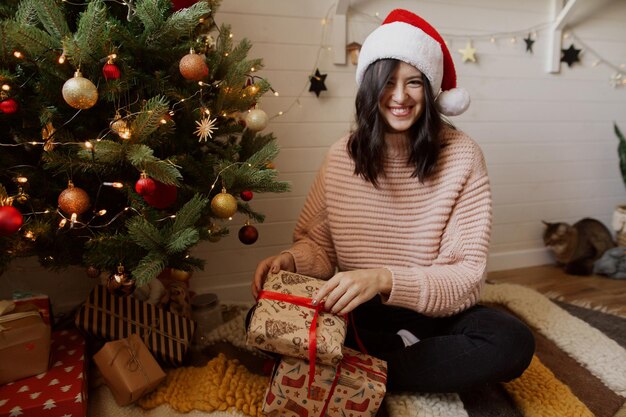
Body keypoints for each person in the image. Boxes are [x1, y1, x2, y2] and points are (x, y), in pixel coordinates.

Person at [251, 9, 534, 393]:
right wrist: (292, 260)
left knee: (511, 342)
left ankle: (362, 371)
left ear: (431, 90)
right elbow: (318, 246)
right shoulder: (341, 156)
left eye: (414, 82)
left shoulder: (463, 156)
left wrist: (384, 279)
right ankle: (398, 360)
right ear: (370, 87)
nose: (400, 96)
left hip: (432, 313)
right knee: (258, 318)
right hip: (354, 315)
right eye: (388, 82)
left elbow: (466, 279)